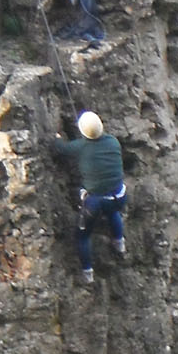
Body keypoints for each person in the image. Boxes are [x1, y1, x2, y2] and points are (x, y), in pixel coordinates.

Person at [53, 110, 126, 283]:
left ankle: (87, 273)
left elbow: (61, 149)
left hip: (95, 203)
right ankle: (119, 242)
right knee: (113, 212)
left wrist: (56, 137)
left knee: (83, 235)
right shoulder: (113, 142)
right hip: (119, 196)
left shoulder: (81, 146)